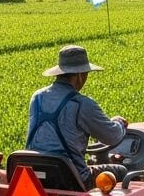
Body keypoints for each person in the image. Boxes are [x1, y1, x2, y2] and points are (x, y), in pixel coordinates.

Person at [26, 45, 129, 186]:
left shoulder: (37, 97)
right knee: (122, 171)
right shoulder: (81, 104)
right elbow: (112, 136)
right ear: (80, 75)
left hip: (36, 176)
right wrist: (119, 123)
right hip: (71, 179)